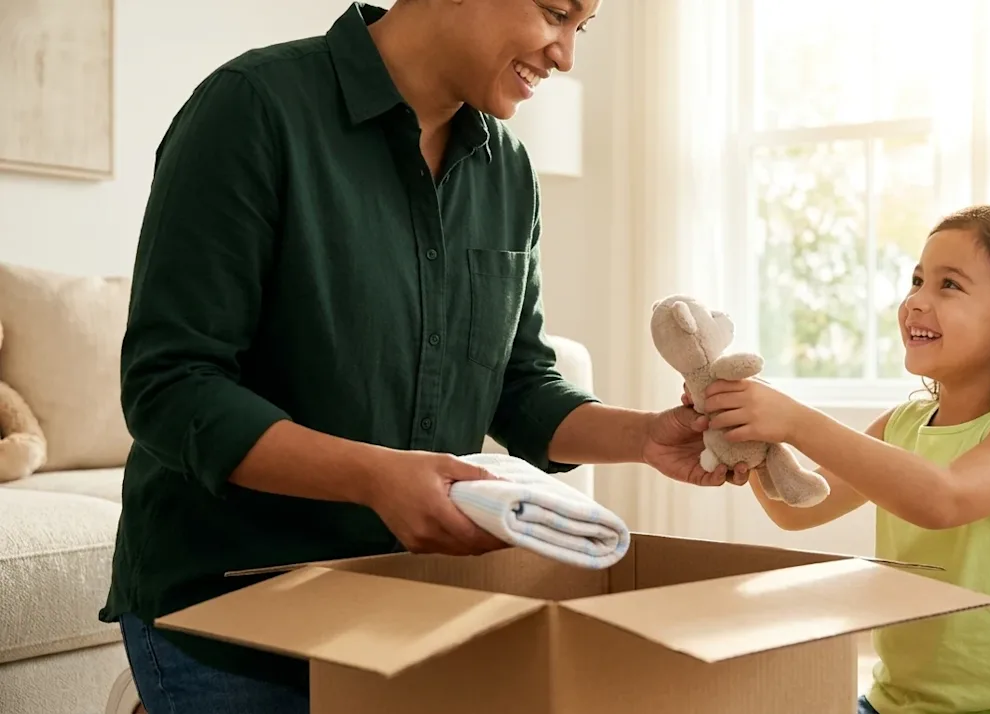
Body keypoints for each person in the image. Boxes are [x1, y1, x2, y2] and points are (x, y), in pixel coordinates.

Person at [100, 2, 748, 713]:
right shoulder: (253, 109)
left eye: (581, 29)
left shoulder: (510, 171)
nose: (565, 56)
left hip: (409, 610)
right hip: (228, 610)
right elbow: (172, 388)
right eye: (557, 13)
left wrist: (649, 438)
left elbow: (519, 383)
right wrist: (375, 477)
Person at [691, 205, 990, 714]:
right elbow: (798, 509)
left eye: (949, 286)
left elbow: (942, 499)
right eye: (917, 280)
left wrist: (797, 421)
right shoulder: (904, 423)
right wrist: (756, 444)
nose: (916, 301)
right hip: (893, 702)